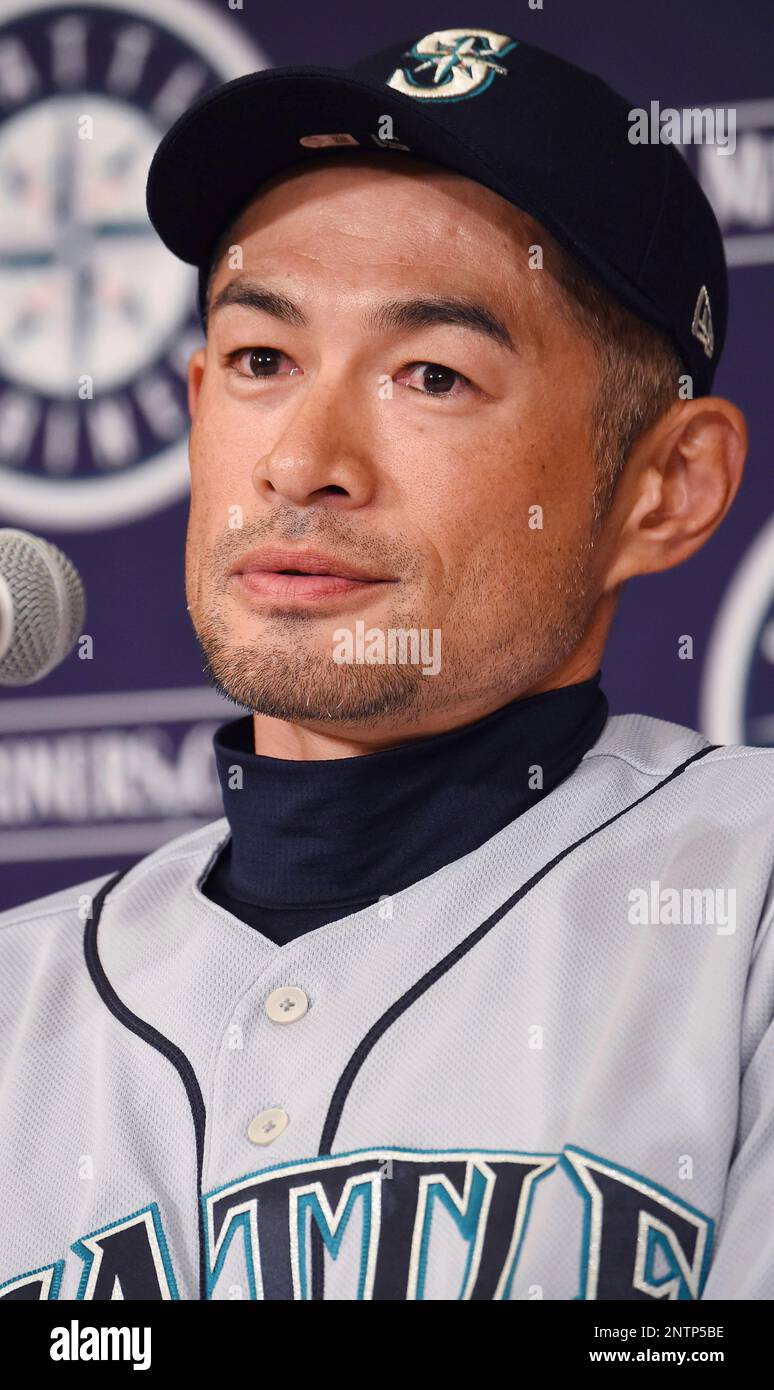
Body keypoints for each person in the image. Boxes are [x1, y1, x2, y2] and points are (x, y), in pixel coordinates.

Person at [0, 28, 771, 1302]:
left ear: (667, 487)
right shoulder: (22, 1002)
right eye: (261, 361)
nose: (302, 462)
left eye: (431, 374)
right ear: (196, 405)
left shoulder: (745, 904)